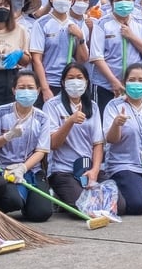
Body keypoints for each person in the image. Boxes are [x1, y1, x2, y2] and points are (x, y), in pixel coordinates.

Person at [95, 62, 142, 216]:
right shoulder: (114, 106)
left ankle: (141, 188)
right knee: (139, 205)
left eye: (141, 80)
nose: (136, 84)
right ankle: (113, 190)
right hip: (123, 165)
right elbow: (111, 140)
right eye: (132, 80)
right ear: (124, 83)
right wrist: (116, 124)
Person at [0, 74, 54, 222]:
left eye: (30, 87)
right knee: (13, 201)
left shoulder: (42, 118)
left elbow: (41, 151)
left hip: (29, 170)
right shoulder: (0, 112)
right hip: (2, 170)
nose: (26, 91)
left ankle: (26, 198)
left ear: (38, 90)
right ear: (14, 90)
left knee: (42, 213)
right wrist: (7, 136)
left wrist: (23, 168)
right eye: (21, 87)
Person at [42, 64, 101, 218]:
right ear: (63, 82)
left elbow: (98, 143)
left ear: (86, 82)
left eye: (79, 78)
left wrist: (95, 170)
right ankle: (59, 194)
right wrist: (70, 121)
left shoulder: (93, 106)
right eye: (70, 78)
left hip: (87, 168)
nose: (75, 82)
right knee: (83, 208)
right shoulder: (52, 106)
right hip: (63, 170)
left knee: (119, 205)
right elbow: (53, 144)